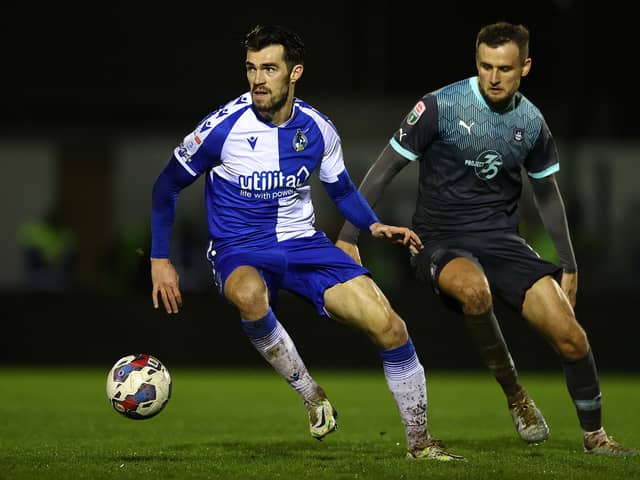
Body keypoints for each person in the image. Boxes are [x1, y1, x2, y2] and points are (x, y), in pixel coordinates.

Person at [149, 24, 463, 462]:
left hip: (304, 244)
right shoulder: (222, 129)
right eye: (251, 69)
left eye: (269, 69)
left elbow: (340, 189)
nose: (258, 79)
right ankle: (311, 395)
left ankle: (420, 443)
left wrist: (372, 226)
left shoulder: (317, 130)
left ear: (294, 73)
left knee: (390, 327)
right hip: (240, 247)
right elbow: (165, 187)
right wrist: (160, 259)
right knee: (248, 294)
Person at [337, 21, 637, 457]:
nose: (494, 77)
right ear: (476, 63)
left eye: (505, 68)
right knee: (475, 293)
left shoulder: (531, 121)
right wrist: (349, 234)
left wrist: (570, 265)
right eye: (485, 66)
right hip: (440, 241)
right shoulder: (440, 106)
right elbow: (383, 170)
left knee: (571, 335)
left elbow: (548, 196)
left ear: (525, 67)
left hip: (501, 241)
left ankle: (595, 437)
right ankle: (516, 394)